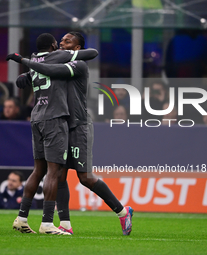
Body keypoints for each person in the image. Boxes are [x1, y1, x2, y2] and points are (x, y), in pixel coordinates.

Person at [8, 32, 133, 236]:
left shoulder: (78, 65)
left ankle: (122, 211)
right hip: (61, 122)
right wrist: (27, 76)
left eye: (67, 41)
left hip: (79, 125)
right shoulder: (58, 59)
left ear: (76, 49)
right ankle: (65, 223)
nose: (62, 43)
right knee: (58, 174)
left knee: (85, 178)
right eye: (61, 40)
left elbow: (49, 69)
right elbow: (46, 72)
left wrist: (27, 65)